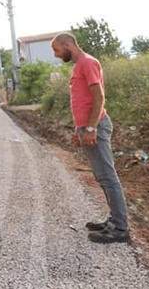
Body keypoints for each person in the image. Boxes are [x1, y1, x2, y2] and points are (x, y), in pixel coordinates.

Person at [51, 33, 130, 244]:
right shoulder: (79, 65)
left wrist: (91, 128)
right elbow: (82, 101)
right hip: (87, 127)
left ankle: (121, 228)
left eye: (57, 50)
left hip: (96, 126)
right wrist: (80, 130)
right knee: (102, 177)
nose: (57, 55)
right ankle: (113, 221)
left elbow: (99, 97)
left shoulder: (88, 63)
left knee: (108, 176)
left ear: (67, 45)